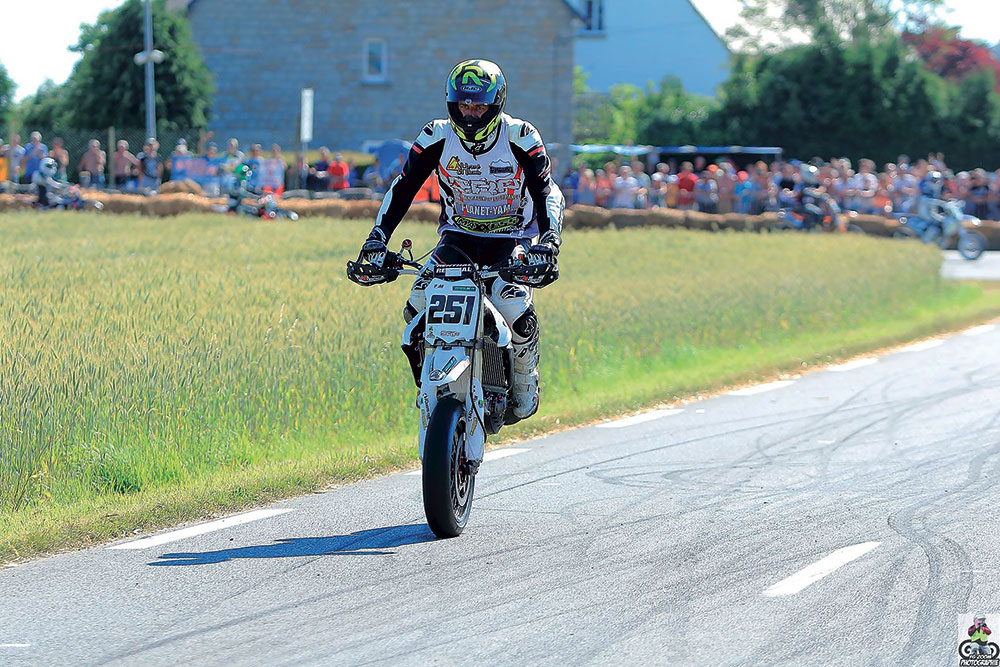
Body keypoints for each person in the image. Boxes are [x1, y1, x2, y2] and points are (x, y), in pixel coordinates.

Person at [348, 58, 563, 422]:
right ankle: (430, 383)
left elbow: (546, 191)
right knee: (417, 303)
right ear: (452, 103)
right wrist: (376, 240)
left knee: (516, 314)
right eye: (464, 105)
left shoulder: (521, 136)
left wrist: (549, 243)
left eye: (479, 106)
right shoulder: (436, 136)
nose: (470, 114)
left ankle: (525, 382)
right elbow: (403, 188)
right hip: (457, 238)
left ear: (496, 104)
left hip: (511, 240)